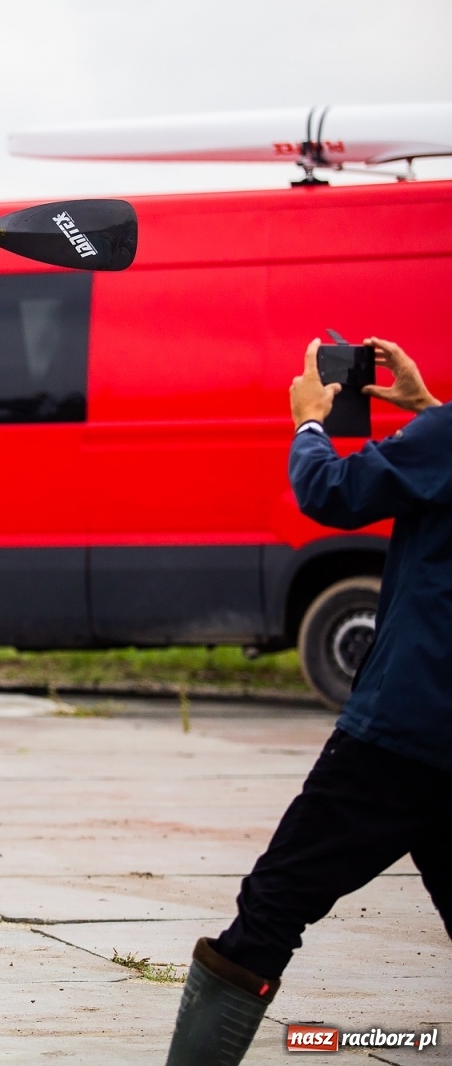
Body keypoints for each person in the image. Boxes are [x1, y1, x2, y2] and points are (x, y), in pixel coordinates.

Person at [164, 337, 452, 1065]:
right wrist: (426, 413)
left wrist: (309, 424)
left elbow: (333, 493)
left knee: (276, 901)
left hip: (404, 728)